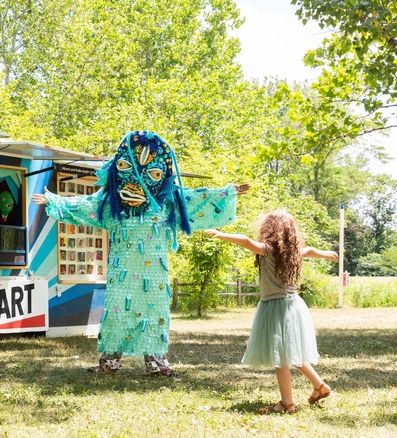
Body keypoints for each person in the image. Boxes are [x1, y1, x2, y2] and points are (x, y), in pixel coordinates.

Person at [32, 130, 249, 376]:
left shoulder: (167, 205)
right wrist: (53, 201)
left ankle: (157, 364)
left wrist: (226, 192)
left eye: (153, 173)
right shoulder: (110, 206)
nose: (137, 182)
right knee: (116, 314)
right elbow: (83, 205)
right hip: (120, 277)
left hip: (154, 277)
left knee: (154, 316)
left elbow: (195, 199)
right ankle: (109, 363)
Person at [204, 209, 338, 413]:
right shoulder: (293, 252)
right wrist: (325, 254)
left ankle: (287, 404)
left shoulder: (268, 250)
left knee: (281, 357)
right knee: (290, 351)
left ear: (269, 230)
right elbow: (308, 250)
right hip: (293, 306)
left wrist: (222, 235)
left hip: (276, 307)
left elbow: (247, 241)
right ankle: (320, 386)